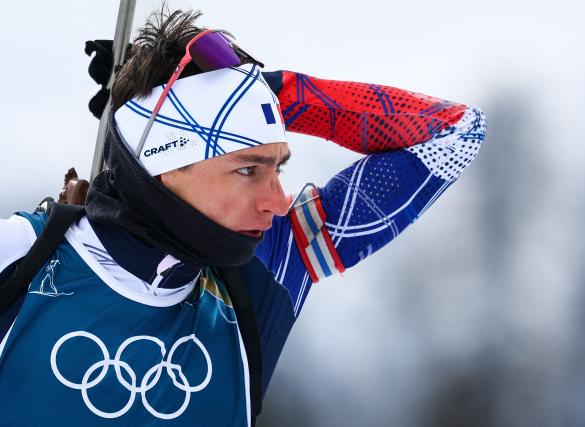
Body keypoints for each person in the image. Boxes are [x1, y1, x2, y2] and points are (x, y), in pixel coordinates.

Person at [0, 6, 486, 426]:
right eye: (248, 169)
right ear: (163, 165)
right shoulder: (23, 253)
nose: (277, 202)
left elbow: (455, 134)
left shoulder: (268, 266)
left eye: (278, 168)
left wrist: (266, 94)